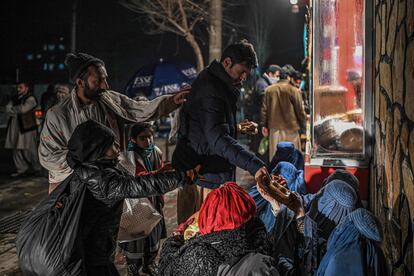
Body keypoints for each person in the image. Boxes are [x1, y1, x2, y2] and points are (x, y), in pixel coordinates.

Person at [39, 53, 188, 193]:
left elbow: (140, 111)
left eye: (105, 79)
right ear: (80, 82)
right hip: (70, 187)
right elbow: (48, 157)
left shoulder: (109, 100)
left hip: (109, 183)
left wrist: (171, 101)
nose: (105, 86)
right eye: (98, 81)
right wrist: (91, 162)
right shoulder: (58, 115)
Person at [64, 120, 197, 275]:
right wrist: (182, 177)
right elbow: (139, 185)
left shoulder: (91, 168)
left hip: (96, 245)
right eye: (112, 144)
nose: (118, 146)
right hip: (94, 249)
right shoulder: (100, 179)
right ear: (98, 151)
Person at [172, 40, 268, 221]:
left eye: (246, 74)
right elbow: (216, 138)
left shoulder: (219, 85)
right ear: (227, 63)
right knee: (200, 235)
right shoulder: (211, 89)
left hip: (208, 170)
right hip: (202, 176)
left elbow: (209, 129)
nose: (243, 78)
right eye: (241, 72)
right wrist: (254, 165)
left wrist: (236, 129)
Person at [157, 182, 272, 276]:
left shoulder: (200, 255)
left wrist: (175, 238)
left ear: (207, 216)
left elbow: (166, 268)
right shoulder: (261, 241)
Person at [258, 178, 358, 275]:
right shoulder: (344, 235)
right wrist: (279, 197)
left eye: (323, 198)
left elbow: (298, 261)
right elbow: (303, 203)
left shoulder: (331, 250)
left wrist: (300, 215)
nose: (318, 198)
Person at [118, 122, 167, 275]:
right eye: (143, 138)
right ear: (133, 139)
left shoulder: (156, 152)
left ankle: (150, 263)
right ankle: (133, 266)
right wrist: (159, 173)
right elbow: (137, 179)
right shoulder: (128, 157)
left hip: (154, 200)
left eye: (150, 137)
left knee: (153, 235)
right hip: (137, 204)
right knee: (136, 238)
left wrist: (161, 196)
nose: (148, 141)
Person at [317, 208, 386, 276]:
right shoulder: (376, 253)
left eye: (346, 222)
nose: (340, 225)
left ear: (351, 230)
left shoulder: (339, 260)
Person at [260, 65, 307, 161]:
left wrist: (264, 125)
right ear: (288, 77)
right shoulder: (294, 90)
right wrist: (304, 126)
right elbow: (300, 112)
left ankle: (276, 175)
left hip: (274, 130)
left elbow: (264, 110)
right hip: (292, 130)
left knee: (275, 158)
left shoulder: (269, 90)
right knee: (292, 159)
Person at [4, 81, 42, 177]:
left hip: (27, 127)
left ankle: (36, 168)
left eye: (20, 87)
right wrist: (15, 110)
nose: (18, 89)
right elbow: (7, 110)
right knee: (16, 148)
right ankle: (21, 169)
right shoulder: (14, 99)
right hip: (15, 126)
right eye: (18, 87)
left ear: (26, 88)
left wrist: (13, 109)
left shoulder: (31, 98)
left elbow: (23, 109)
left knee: (29, 148)